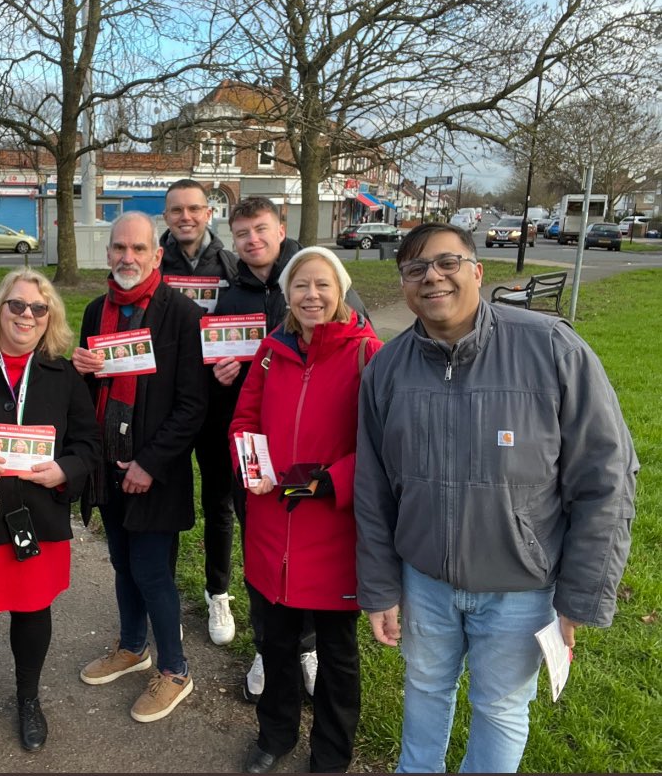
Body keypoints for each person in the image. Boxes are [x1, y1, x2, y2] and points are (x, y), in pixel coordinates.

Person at [354, 223, 637, 773]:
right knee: (425, 692)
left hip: (522, 588)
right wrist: (380, 587)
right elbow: (374, 490)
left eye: (447, 263)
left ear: (477, 271)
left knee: (502, 708)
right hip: (425, 583)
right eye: (416, 269)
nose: (432, 277)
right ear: (405, 285)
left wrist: (578, 600)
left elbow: (607, 478)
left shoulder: (551, 348)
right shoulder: (386, 369)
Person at [231, 247, 381, 774]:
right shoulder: (271, 352)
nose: (311, 295)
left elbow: (381, 447)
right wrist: (248, 460)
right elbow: (245, 417)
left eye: (322, 285)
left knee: (338, 656)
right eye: (300, 286)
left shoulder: (367, 353)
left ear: (339, 290)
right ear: (287, 295)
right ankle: (275, 735)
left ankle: (331, 756)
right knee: (275, 644)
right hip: (273, 525)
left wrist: (327, 482)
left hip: (333, 531)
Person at [0, 268, 101, 759]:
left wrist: (65, 470)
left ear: (50, 319)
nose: (27, 315)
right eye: (17, 305)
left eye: (39, 309)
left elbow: (89, 442)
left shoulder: (63, 374)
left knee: (33, 610)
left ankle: (28, 698)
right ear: (0, 309)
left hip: (39, 515)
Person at [74, 212, 208, 722]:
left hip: (155, 471)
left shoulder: (181, 316)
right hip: (107, 465)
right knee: (122, 564)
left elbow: (192, 406)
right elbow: (88, 395)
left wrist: (149, 463)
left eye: (138, 249)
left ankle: (175, 670)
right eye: (118, 248)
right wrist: (79, 372)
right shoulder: (95, 312)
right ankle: (133, 646)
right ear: (107, 253)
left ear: (157, 254)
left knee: (154, 572)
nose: (126, 258)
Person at [159, 180, 241, 647]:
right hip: (168, 406)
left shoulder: (232, 267)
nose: (185, 217)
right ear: (166, 216)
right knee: (166, 506)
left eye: (194, 209)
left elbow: (249, 327)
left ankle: (218, 593)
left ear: (209, 213)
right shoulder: (153, 262)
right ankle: (162, 594)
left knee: (219, 505)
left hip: (217, 407)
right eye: (176, 210)